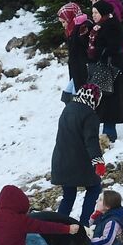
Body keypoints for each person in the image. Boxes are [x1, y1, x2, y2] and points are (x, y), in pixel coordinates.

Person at [51, 83, 107, 225]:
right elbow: (91, 140)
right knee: (94, 188)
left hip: (61, 161)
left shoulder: (68, 108)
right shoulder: (89, 115)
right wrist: (98, 161)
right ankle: (84, 224)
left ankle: (59, 226)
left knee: (68, 195)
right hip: (79, 163)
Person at [87, 0, 123, 141]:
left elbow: (114, 47)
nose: (93, 15)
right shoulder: (100, 26)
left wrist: (98, 52)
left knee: (110, 100)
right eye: (92, 12)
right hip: (105, 68)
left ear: (103, 13)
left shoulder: (111, 26)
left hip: (113, 69)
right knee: (104, 100)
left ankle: (109, 134)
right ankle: (106, 133)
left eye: (96, 13)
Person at [57, 2, 89, 98]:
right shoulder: (70, 30)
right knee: (68, 96)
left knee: (74, 98)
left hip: (82, 71)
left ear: (70, 18)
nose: (63, 25)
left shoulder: (81, 29)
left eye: (64, 22)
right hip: (76, 70)